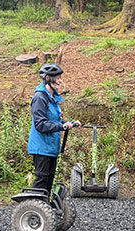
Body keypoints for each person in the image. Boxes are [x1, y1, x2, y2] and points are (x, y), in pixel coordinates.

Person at [28, 63, 80, 198]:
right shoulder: (40, 98)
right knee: (42, 181)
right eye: (57, 77)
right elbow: (40, 124)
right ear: (47, 79)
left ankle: (45, 211)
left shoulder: (52, 99)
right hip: (41, 147)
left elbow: (55, 121)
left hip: (51, 147)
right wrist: (60, 126)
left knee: (49, 183)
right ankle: (33, 212)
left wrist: (70, 123)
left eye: (60, 77)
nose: (60, 80)